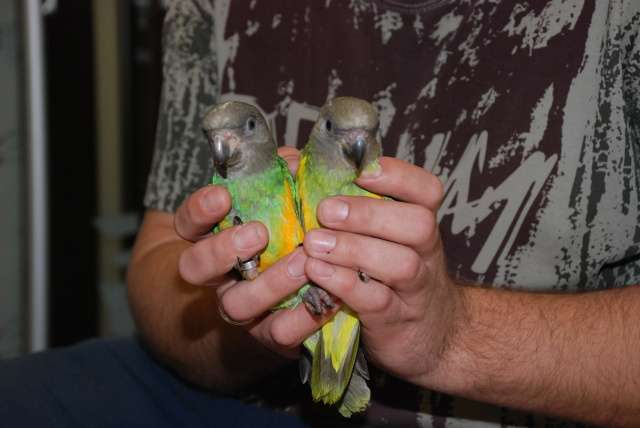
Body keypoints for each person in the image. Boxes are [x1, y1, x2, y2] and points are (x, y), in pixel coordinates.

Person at [127, 0, 640, 427]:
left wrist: (453, 336)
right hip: (243, 400)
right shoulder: (208, 11)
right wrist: (251, 309)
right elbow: (157, 268)